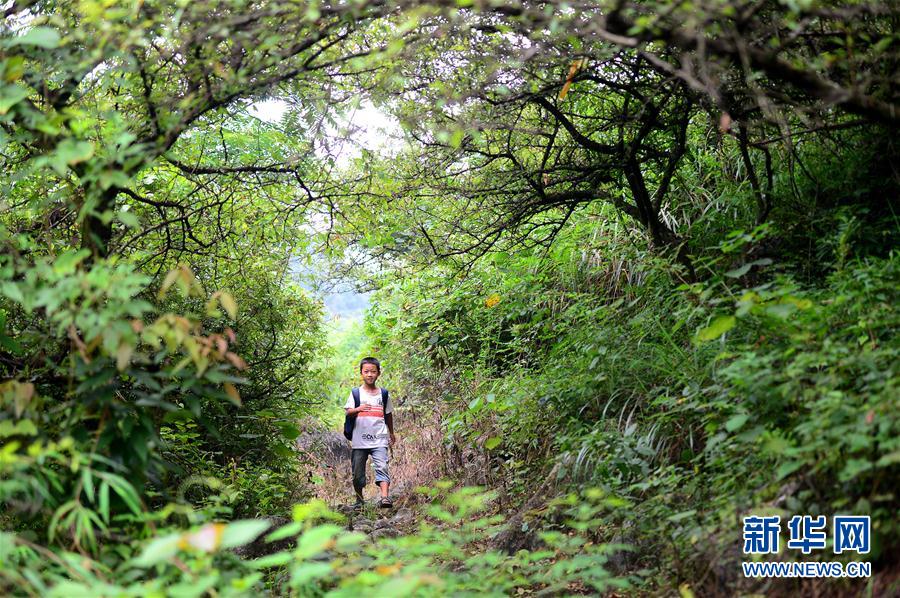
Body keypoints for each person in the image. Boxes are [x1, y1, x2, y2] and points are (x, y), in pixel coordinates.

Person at [344, 357, 396, 508]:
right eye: (366, 371)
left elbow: (388, 414)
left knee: (382, 466)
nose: (369, 374)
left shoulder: (384, 394)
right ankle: (359, 500)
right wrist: (358, 409)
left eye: (373, 371)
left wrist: (391, 432)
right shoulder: (356, 394)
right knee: (357, 473)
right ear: (361, 373)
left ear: (378, 373)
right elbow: (348, 412)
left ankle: (385, 498)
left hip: (379, 439)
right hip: (359, 440)